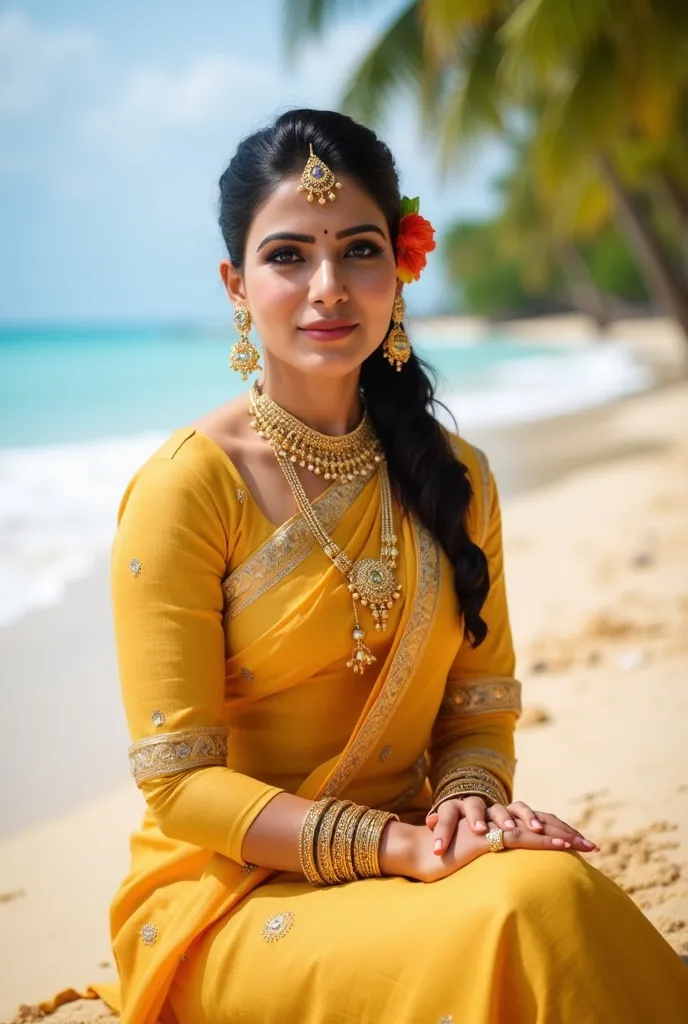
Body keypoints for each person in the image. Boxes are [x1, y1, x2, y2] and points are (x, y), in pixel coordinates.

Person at [33, 108, 688, 1024]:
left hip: (419, 853)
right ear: (236, 283)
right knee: (526, 916)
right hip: (233, 896)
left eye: (360, 251)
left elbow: (478, 705)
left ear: (401, 270)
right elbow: (181, 785)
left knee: (551, 896)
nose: (328, 287)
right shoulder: (187, 490)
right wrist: (393, 845)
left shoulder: (456, 479)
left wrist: (468, 808)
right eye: (289, 255)